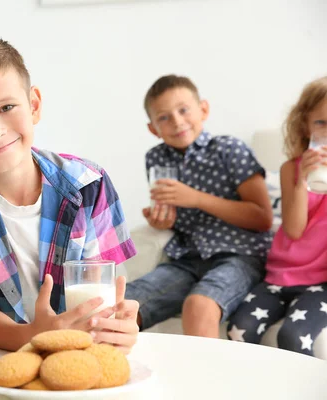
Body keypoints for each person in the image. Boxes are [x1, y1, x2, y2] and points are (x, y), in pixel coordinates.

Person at [0, 35, 139, 353]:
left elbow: (109, 293)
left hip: (81, 351)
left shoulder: (90, 184)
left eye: (7, 107)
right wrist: (37, 336)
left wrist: (123, 322)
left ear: (34, 105)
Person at [124, 75, 274, 338]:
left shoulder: (229, 149)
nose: (177, 121)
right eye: (164, 117)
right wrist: (163, 221)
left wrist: (195, 198)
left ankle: (206, 379)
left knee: (199, 305)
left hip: (239, 255)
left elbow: (262, 218)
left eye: (183, 110)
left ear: (203, 109)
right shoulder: (157, 158)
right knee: (123, 305)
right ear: (153, 129)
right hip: (188, 258)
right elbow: (175, 216)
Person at [227, 76, 327, 356]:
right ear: (305, 124)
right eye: (321, 123)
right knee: (239, 329)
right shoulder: (290, 169)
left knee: (294, 338)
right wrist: (301, 180)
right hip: (280, 276)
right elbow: (294, 230)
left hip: (321, 283)